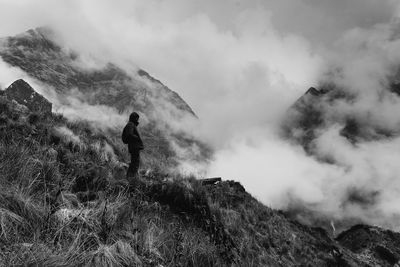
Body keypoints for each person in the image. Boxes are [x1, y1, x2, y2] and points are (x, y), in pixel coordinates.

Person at [122, 112, 144, 180]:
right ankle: (131, 178)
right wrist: (137, 138)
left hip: (133, 147)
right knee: (135, 163)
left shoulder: (131, 124)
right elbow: (130, 134)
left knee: (135, 162)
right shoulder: (131, 124)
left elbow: (130, 135)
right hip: (134, 147)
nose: (137, 120)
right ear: (134, 118)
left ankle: (131, 176)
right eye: (137, 118)